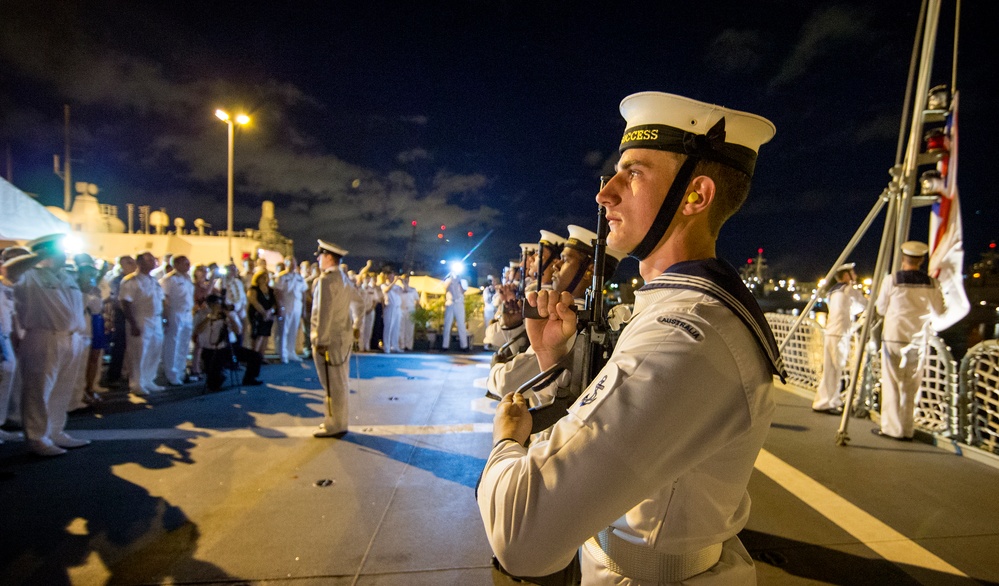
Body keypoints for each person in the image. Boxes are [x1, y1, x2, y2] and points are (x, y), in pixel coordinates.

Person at [478, 91, 784, 584]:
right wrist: (550, 356)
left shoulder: (684, 334)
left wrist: (506, 443)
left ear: (696, 196)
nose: (605, 193)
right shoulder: (672, 305)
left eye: (634, 173)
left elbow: (521, 537)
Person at [13, 234, 90, 456]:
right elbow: (8, 272)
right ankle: (37, 437)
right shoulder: (29, 275)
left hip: (71, 338)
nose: (64, 254)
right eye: (58, 249)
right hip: (44, 337)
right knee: (39, 390)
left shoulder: (68, 277)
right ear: (44, 251)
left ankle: (56, 431)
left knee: (61, 390)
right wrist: (38, 256)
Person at [873, 241, 945, 441]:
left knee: (892, 383)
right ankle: (907, 429)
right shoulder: (932, 283)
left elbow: (880, 308)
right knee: (911, 385)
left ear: (903, 258)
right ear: (921, 260)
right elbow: (940, 311)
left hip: (893, 337)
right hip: (918, 340)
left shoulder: (891, 280)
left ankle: (891, 428)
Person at [311, 239, 362, 438]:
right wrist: (356, 325)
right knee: (340, 382)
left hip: (330, 340)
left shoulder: (326, 280)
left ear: (329, 257)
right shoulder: (344, 279)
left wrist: (320, 340)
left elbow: (324, 312)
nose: (318, 259)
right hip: (343, 338)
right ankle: (338, 421)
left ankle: (335, 424)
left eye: (321, 255)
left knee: (332, 385)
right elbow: (360, 303)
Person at [813, 262, 867, 415]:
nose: (855, 276)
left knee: (830, 369)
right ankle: (829, 402)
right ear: (846, 276)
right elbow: (863, 304)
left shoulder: (833, 291)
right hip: (841, 333)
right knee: (836, 370)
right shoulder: (848, 289)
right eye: (853, 273)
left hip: (830, 332)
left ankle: (825, 400)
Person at [193, 294, 263, 391]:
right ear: (209, 305)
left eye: (219, 304)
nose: (217, 307)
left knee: (256, 356)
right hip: (210, 350)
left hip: (227, 347)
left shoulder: (226, 314)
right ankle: (217, 378)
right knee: (214, 384)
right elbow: (197, 331)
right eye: (215, 304)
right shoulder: (201, 314)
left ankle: (249, 378)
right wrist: (209, 317)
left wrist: (229, 317)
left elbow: (238, 331)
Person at [120, 251, 165, 395]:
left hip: (156, 319)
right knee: (139, 353)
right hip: (141, 318)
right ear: (140, 263)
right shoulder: (132, 281)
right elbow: (125, 302)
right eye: (149, 260)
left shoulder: (153, 281)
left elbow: (161, 300)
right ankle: (136, 383)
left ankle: (148, 380)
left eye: (153, 260)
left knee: (154, 351)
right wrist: (133, 323)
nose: (153, 262)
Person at [160, 255, 195, 386]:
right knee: (172, 345)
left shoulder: (186, 279)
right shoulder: (169, 280)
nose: (188, 266)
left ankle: (181, 372)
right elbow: (165, 299)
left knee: (184, 345)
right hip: (175, 313)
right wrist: (166, 317)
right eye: (185, 263)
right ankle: (171, 374)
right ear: (177, 264)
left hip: (187, 314)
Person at [104, 255, 137, 387]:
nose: (133, 265)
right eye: (129, 263)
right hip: (122, 316)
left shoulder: (135, 279)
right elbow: (116, 301)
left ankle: (129, 373)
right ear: (122, 265)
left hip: (135, 315)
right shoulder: (117, 280)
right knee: (119, 346)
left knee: (133, 347)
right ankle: (113, 376)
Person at [275, 258, 307, 362]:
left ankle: (291, 352)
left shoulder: (299, 277)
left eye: (294, 263)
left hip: (297, 306)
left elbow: (304, 292)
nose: (293, 265)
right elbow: (278, 292)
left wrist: (304, 309)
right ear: (286, 264)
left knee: (293, 330)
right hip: (286, 305)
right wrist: (280, 306)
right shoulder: (281, 277)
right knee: (284, 330)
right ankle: (283, 353)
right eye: (291, 263)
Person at [247, 271, 279, 356]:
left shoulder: (271, 290)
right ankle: (254, 356)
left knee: (266, 335)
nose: (265, 279)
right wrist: (264, 312)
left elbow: (274, 303)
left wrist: (270, 312)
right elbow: (253, 301)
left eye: (266, 277)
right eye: (263, 277)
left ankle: (262, 355)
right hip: (257, 315)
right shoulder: (253, 289)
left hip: (269, 315)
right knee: (258, 335)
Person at [441, 270, 468, 351]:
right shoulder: (448, 280)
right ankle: (445, 346)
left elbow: (463, 291)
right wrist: (451, 280)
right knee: (447, 324)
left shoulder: (463, 281)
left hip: (459, 303)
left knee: (461, 325)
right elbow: (445, 289)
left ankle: (464, 346)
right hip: (450, 303)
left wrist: (458, 282)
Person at [381, 266, 402, 353]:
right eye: (391, 276)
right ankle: (386, 346)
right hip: (389, 307)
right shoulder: (384, 285)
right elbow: (386, 290)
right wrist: (394, 281)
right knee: (388, 328)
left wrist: (403, 280)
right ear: (387, 277)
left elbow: (404, 290)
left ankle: (395, 346)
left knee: (396, 328)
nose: (393, 277)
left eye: (393, 276)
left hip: (397, 308)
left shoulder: (397, 286)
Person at [399, 274, 421, 351]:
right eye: (404, 279)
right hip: (401, 309)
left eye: (407, 279)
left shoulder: (413, 289)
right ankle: (402, 345)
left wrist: (417, 310)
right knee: (401, 328)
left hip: (410, 309)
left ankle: (409, 346)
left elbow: (417, 300)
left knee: (410, 328)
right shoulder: (399, 289)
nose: (406, 281)